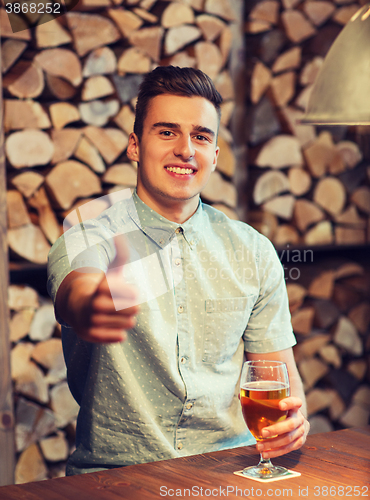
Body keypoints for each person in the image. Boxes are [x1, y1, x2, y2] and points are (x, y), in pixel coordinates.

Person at [47, 66, 309, 476]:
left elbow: (280, 378)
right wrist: (88, 305)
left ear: (215, 155)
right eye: (166, 132)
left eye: (201, 137)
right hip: (117, 478)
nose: (186, 149)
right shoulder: (88, 237)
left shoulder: (254, 251)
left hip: (232, 472)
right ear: (135, 145)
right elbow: (76, 293)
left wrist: (292, 424)